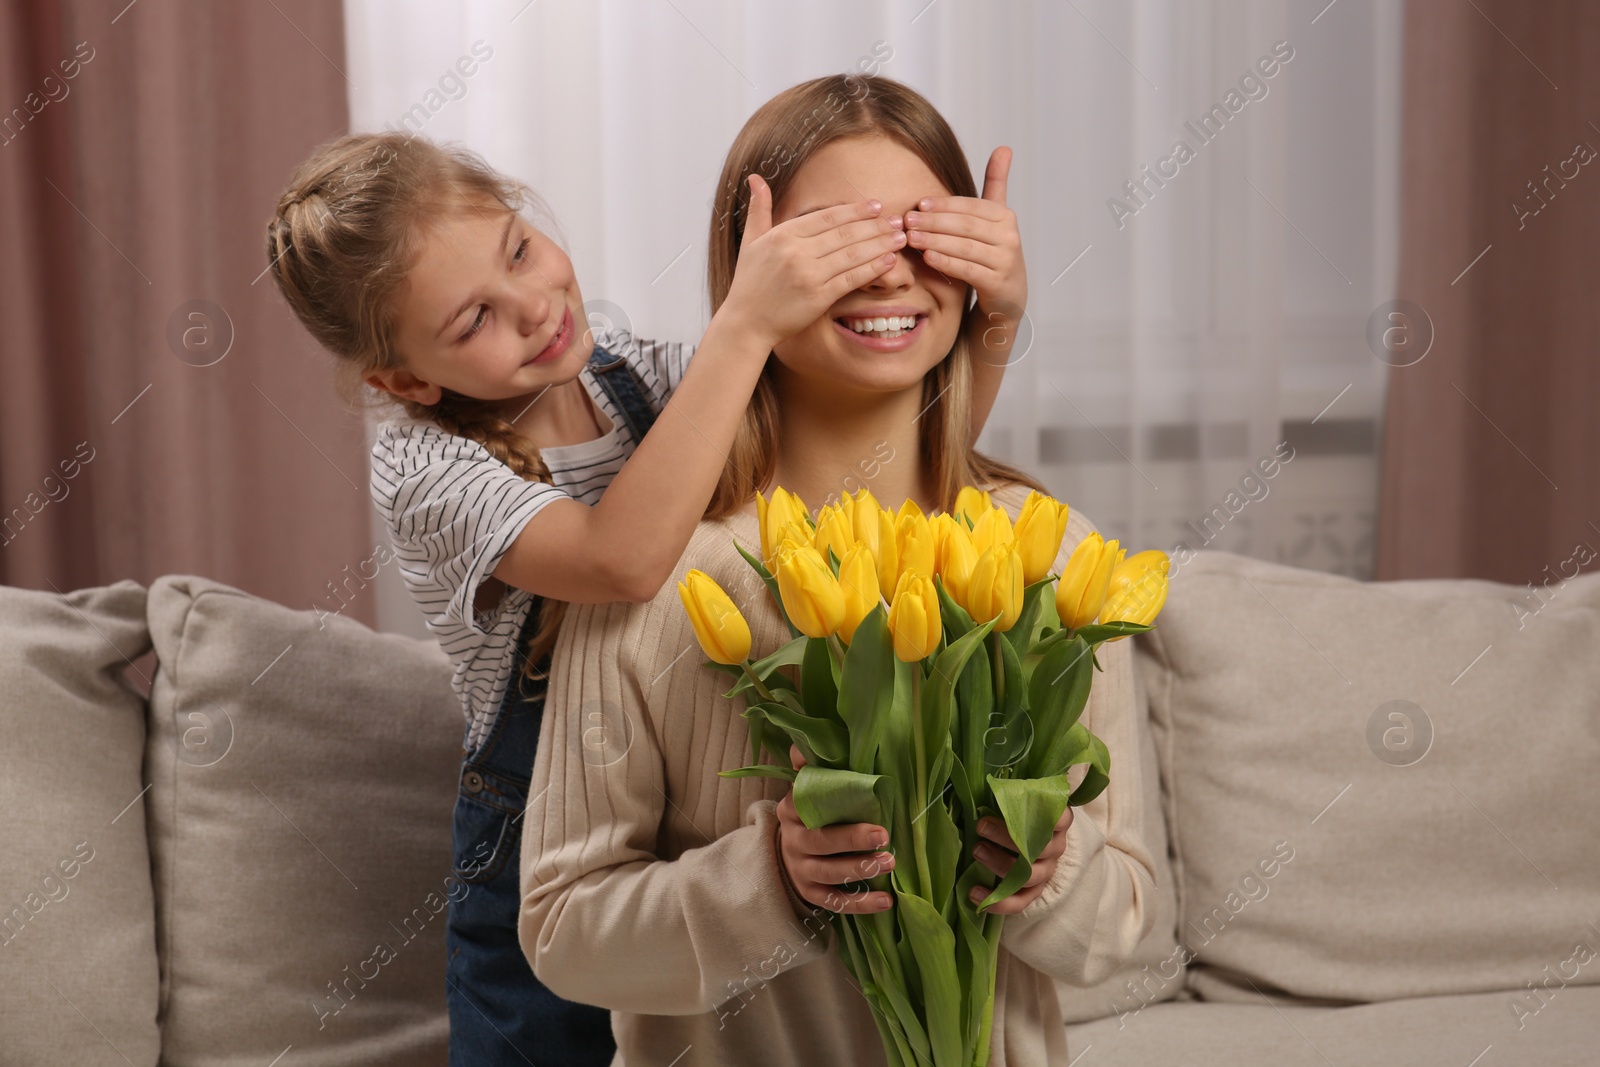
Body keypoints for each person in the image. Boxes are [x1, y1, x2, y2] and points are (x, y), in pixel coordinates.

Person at [264, 129, 1014, 1065]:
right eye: (474, 321)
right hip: (536, 838)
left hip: (674, 800)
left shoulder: (635, 374)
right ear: (407, 379)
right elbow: (621, 562)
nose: (536, 307)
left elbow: (881, 451)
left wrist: (992, 322)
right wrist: (746, 324)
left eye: (521, 250)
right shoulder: (427, 470)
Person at [520, 75, 1154, 1065]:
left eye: (920, 233)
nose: (885, 274)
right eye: (834, 242)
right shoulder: (656, 579)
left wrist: (1051, 872)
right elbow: (560, 931)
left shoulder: (1050, 555)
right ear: (751, 268)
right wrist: (765, 879)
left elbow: (1127, 921)